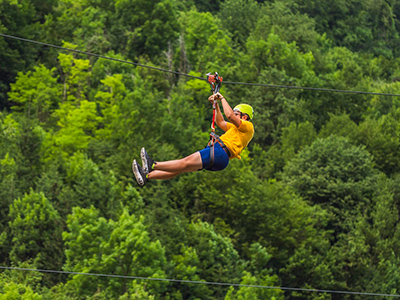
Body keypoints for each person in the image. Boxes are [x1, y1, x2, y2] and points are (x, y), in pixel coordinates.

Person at [132, 92, 254, 186]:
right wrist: (216, 105)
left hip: (219, 152)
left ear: (245, 116)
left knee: (184, 162)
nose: (235, 115)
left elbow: (229, 116)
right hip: (221, 158)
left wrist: (222, 98)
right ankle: (147, 176)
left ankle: (153, 165)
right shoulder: (235, 129)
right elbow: (220, 121)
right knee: (180, 168)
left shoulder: (248, 127)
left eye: (237, 113)